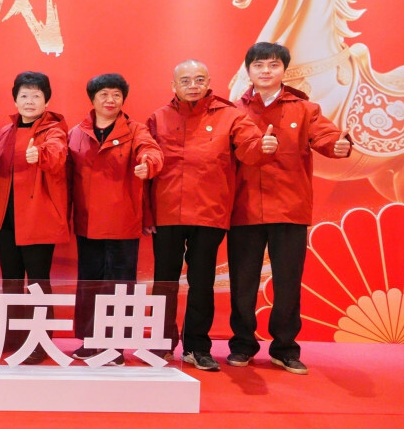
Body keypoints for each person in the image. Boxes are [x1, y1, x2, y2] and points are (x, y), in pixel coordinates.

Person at [228, 42, 352, 374]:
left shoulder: (305, 109)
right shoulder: (233, 110)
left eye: (273, 65)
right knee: (243, 283)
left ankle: (285, 348)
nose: (265, 71)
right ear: (248, 70)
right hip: (244, 208)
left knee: (287, 283)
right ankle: (242, 344)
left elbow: (326, 137)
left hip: (289, 207)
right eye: (258, 65)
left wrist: (338, 145)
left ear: (284, 70)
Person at [146, 59, 266, 371]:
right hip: (167, 211)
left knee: (202, 283)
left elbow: (250, 148)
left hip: (209, 211)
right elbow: (147, 164)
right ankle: (160, 343)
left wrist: (263, 145)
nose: (193, 86)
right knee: (165, 281)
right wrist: (146, 213)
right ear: (174, 85)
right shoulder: (158, 118)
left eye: (199, 79)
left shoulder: (230, 115)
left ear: (209, 82)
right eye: (185, 80)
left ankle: (197, 346)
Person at [67, 73, 163, 364]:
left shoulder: (136, 130)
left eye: (116, 95)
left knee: (120, 286)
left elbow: (152, 151)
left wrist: (148, 164)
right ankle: (89, 341)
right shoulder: (77, 132)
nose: (110, 100)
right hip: (87, 222)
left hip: (123, 221)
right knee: (90, 283)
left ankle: (116, 347)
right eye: (104, 95)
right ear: (93, 99)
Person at [0, 71, 70, 365]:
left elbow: (57, 154)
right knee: (10, 280)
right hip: (6, 218)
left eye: (36, 95)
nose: (30, 101)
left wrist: (41, 156)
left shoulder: (53, 130)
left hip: (38, 218)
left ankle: (40, 341)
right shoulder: (6, 131)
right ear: (15, 100)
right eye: (24, 95)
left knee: (37, 282)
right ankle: (11, 336)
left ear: (46, 101)